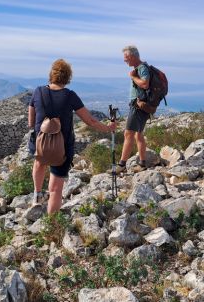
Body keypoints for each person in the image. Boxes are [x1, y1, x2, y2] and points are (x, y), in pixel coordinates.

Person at [28, 59, 116, 214]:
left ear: (52, 74)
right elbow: (90, 121)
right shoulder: (70, 96)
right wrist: (108, 128)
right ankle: (52, 224)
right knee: (55, 189)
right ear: (68, 77)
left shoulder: (38, 91)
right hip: (62, 147)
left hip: (39, 143)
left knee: (39, 162)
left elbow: (30, 122)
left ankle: (37, 194)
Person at [116, 45, 150, 173]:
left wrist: (133, 77)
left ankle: (122, 165)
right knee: (138, 134)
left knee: (128, 133)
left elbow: (145, 84)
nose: (125, 60)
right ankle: (142, 163)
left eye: (126, 58)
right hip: (141, 105)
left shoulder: (142, 68)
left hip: (138, 105)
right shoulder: (140, 68)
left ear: (133, 56)